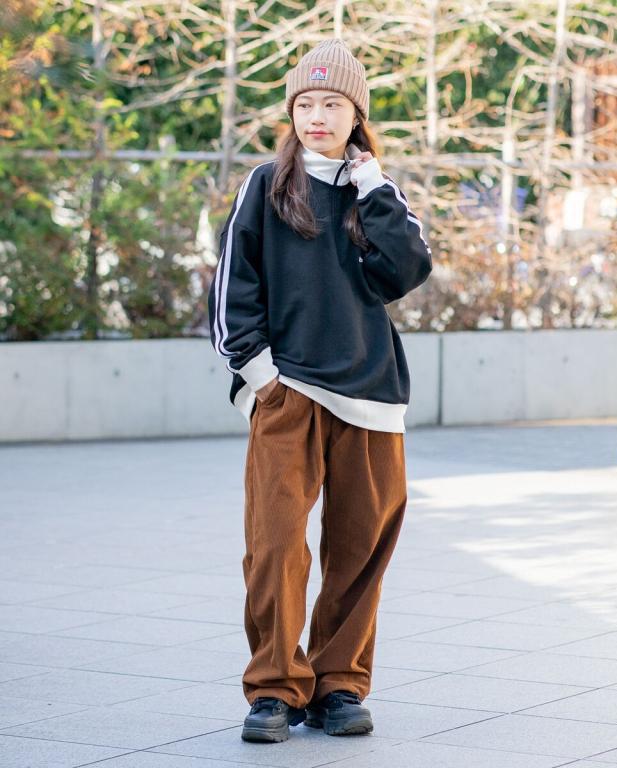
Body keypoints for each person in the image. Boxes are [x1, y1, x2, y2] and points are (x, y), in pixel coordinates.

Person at [208, 38, 432, 743]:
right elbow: (232, 289)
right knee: (275, 545)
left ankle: (339, 685)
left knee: (359, 548)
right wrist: (261, 377)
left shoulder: (375, 193)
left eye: (332, 104)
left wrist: (373, 185)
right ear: (292, 112)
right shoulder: (265, 186)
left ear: (355, 115)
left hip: (370, 395)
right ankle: (274, 689)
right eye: (305, 103)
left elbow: (407, 270)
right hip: (288, 394)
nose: (316, 116)